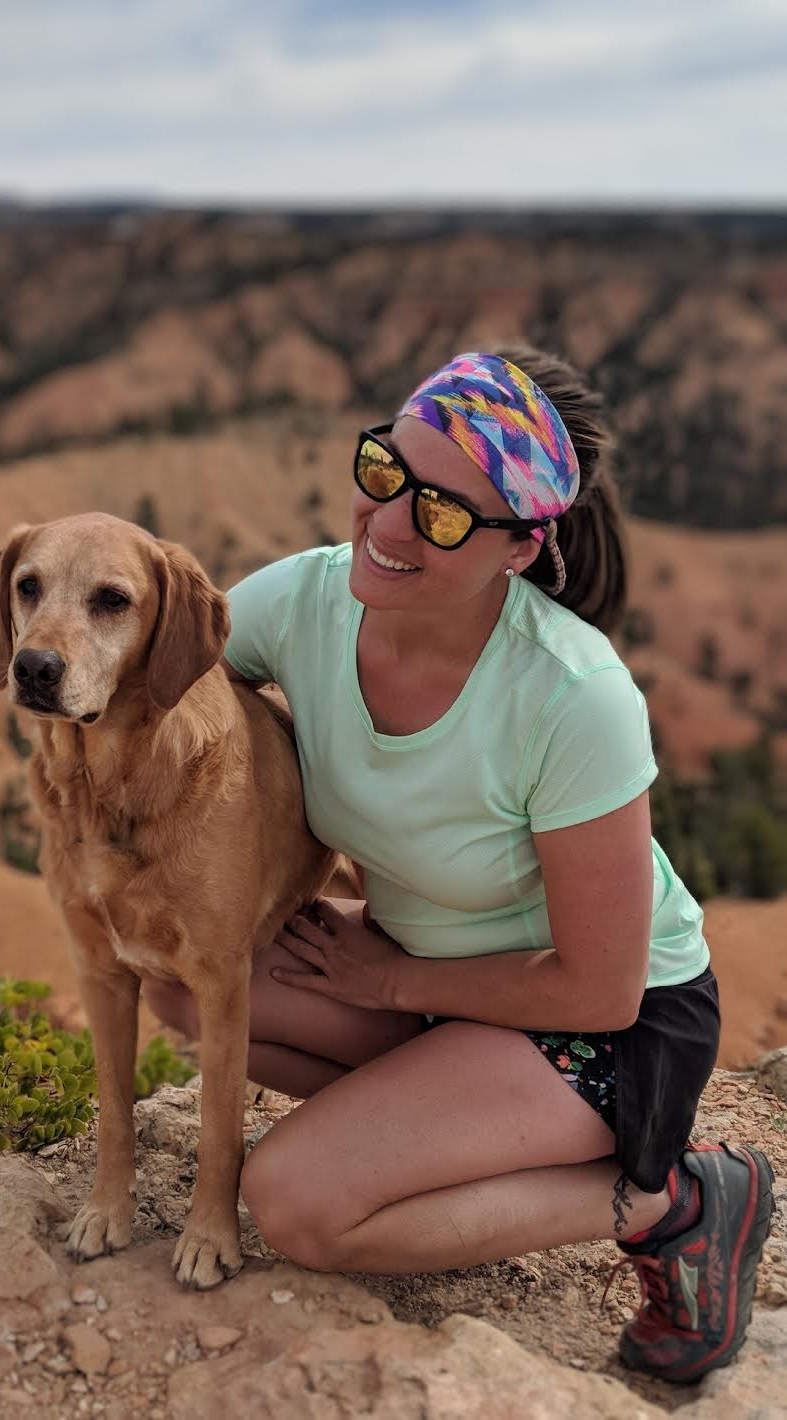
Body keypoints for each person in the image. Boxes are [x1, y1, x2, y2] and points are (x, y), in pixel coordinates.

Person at [143, 345, 775, 1384]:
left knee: (297, 1201)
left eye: (442, 514)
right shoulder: (307, 602)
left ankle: (683, 1196)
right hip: (432, 974)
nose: (387, 524)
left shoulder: (573, 696)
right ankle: (454, 1111)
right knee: (182, 974)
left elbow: (601, 984)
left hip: (605, 1022)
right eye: (386, 472)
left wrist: (389, 978)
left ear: (521, 548)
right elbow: (171, 678)